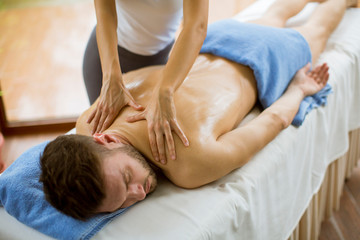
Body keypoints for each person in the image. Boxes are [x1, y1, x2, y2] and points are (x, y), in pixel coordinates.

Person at [40, 0, 351, 220]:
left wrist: (299, 89)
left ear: (105, 141)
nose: (138, 192)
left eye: (126, 179)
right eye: (121, 203)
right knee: (275, 13)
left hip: (263, 56)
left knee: (319, 28)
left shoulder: (189, 164)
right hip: (211, 42)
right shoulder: (89, 125)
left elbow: (276, 119)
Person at [83, 0, 209, 164]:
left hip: (160, 62)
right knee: (105, 152)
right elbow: (105, 14)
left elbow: (196, 26)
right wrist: (110, 77)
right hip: (106, 62)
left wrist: (165, 90)